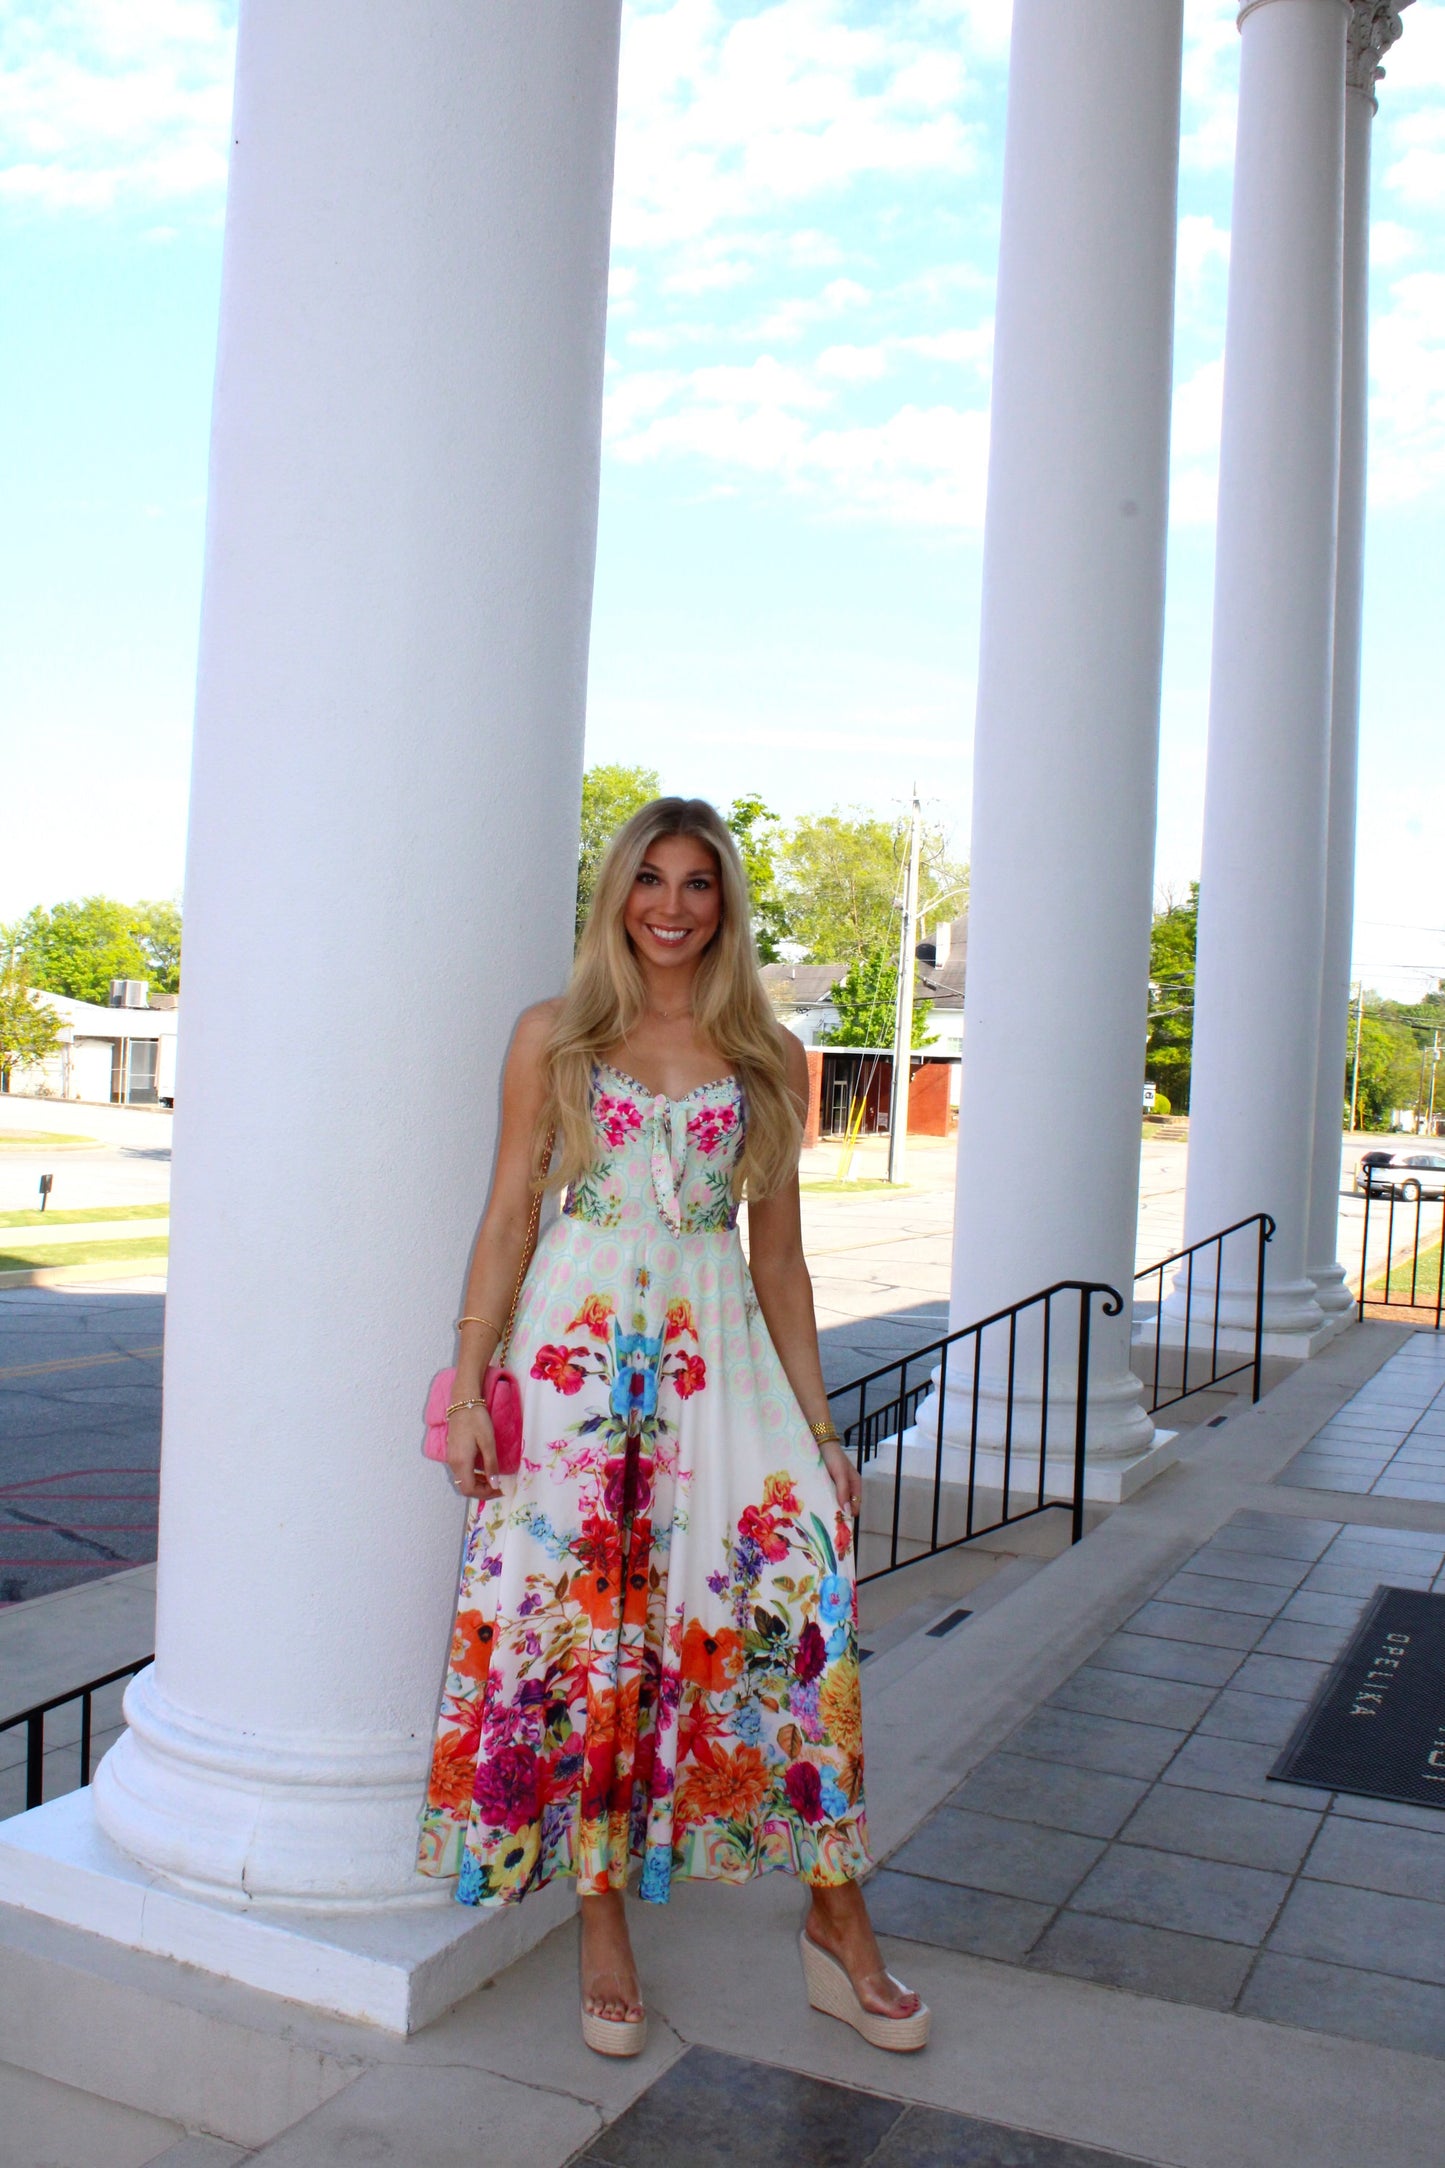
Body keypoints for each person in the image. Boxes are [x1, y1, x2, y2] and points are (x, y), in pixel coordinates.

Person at [417, 797, 929, 2057]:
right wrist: (471, 1377)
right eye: (651, 877)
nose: (673, 904)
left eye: (699, 882)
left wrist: (816, 1430)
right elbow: (503, 1221)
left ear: (725, 905)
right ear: (615, 894)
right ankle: (599, 1916)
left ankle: (836, 1917)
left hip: (718, 1376)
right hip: (573, 1371)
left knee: (792, 1616)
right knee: (586, 1634)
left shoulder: (767, 1050)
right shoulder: (554, 1037)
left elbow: (785, 1264)